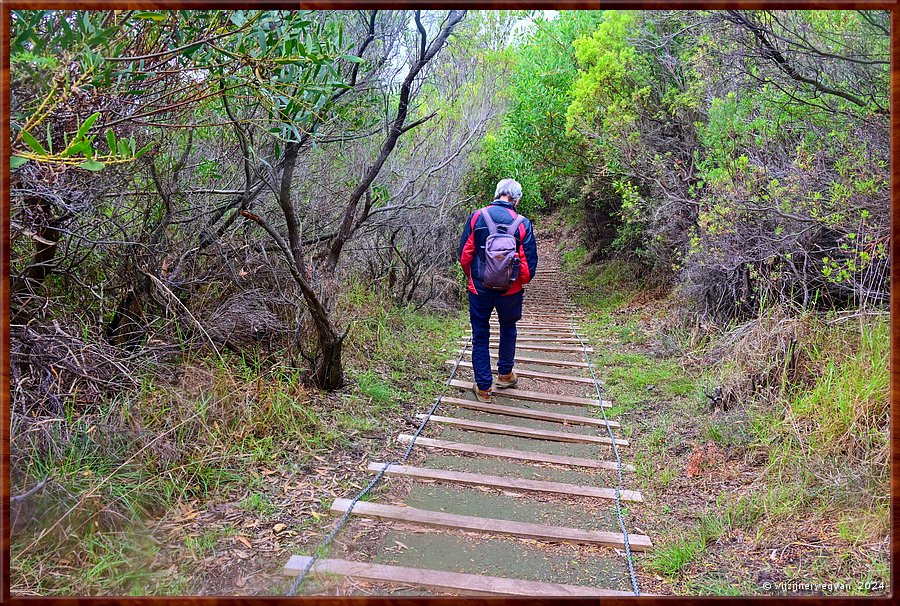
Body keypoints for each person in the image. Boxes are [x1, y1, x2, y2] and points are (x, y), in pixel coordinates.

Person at [458, 178, 538, 402]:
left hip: (479, 288)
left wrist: (475, 276)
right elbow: (528, 267)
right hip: (510, 291)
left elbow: (465, 255)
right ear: (517, 199)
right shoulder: (522, 223)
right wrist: (515, 281)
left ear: (497, 193)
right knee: (508, 327)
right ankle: (505, 374)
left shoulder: (478, 216)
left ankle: (484, 388)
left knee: (480, 334)